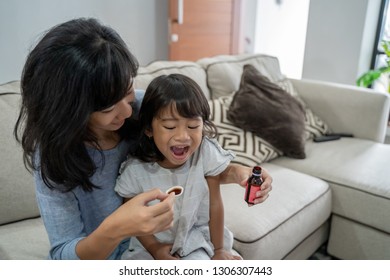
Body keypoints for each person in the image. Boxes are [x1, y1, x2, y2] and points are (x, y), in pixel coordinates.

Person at [13, 17, 273, 260]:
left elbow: (203, 165)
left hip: (179, 241)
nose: (128, 112)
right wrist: (116, 228)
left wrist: (240, 172)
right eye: (107, 109)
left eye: (127, 93)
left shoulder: (147, 110)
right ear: (70, 113)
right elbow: (63, 255)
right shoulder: (53, 157)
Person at [115, 74, 250, 260]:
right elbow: (133, 218)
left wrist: (219, 250)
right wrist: (154, 248)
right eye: (170, 127)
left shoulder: (204, 154)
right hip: (148, 247)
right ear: (148, 129)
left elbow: (215, 205)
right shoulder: (135, 171)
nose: (183, 136)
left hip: (192, 239)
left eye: (193, 126)